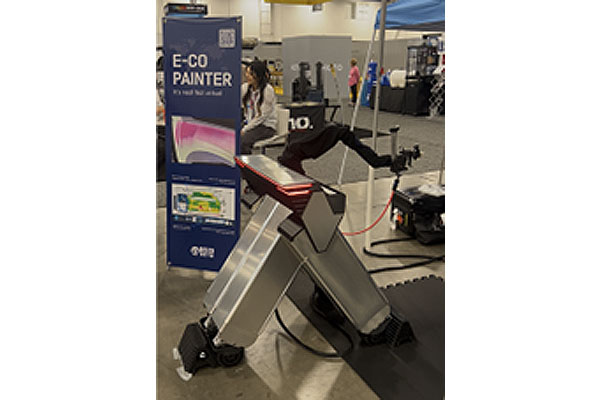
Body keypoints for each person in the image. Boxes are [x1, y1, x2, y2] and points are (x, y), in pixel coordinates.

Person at [240, 60, 277, 154]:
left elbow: (261, 116)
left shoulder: (268, 90)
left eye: (251, 74)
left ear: (259, 75)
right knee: (230, 135)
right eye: (247, 73)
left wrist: (245, 129)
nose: (247, 76)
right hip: (250, 123)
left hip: (265, 126)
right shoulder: (245, 88)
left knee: (242, 141)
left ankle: (246, 162)